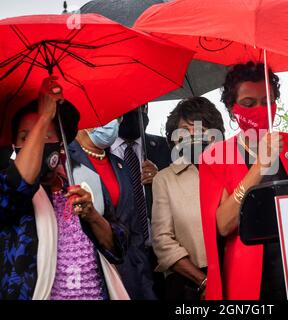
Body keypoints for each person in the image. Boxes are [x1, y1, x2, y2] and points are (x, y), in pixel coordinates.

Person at [199, 62, 288, 300]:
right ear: (232, 108)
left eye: (267, 101)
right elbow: (224, 224)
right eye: (248, 104)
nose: (260, 109)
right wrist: (260, 167)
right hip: (252, 276)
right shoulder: (215, 156)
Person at [0, 77, 129, 300]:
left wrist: (93, 217)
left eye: (45, 135)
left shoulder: (85, 182)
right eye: (25, 137)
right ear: (15, 146)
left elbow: (118, 248)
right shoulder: (8, 190)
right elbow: (18, 184)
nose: (37, 143)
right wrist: (44, 117)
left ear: (61, 144)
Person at [69, 119, 155, 300]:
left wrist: (146, 289)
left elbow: (135, 235)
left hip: (128, 278)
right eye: (107, 117)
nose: (114, 123)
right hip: (86, 277)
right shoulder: (66, 162)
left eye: (119, 117)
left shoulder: (120, 165)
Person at [151, 97, 225, 300]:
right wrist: (203, 281)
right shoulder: (164, 179)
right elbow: (163, 242)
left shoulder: (232, 171)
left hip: (237, 275)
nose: (192, 134)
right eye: (184, 129)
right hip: (189, 286)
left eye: (201, 128)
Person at [111, 106, 172, 299]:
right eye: (127, 107)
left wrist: (161, 178)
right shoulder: (100, 154)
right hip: (125, 256)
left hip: (165, 253)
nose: (138, 113)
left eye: (143, 106)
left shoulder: (166, 147)